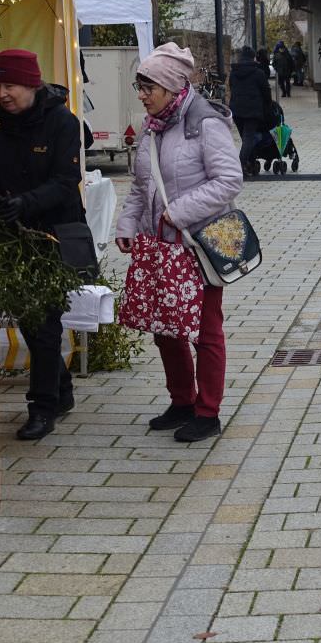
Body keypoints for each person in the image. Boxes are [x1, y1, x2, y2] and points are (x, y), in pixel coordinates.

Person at [115, 42, 244, 442]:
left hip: (199, 243)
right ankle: (181, 401)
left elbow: (229, 181)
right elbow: (142, 185)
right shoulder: (153, 128)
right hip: (160, 247)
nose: (141, 94)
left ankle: (208, 412)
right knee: (165, 328)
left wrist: (179, 212)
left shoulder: (206, 123)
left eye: (147, 87)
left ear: (171, 87)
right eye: (139, 86)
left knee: (206, 330)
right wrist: (126, 224)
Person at [0, 49, 85, 440]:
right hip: (10, 236)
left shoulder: (62, 122)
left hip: (52, 233)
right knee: (31, 320)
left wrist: (26, 203)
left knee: (44, 319)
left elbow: (66, 183)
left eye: (9, 85)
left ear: (31, 84)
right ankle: (61, 389)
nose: (1, 93)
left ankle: (42, 406)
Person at [228, 46, 275, 178]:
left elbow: (232, 88)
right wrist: (268, 106)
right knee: (249, 139)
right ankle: (239, 167)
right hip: (252, 111)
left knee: (246, 139)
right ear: (253, 57)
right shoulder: (258, 73)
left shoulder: (234, 72)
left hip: (236, 110)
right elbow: (266, 91)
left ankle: (250, 163)